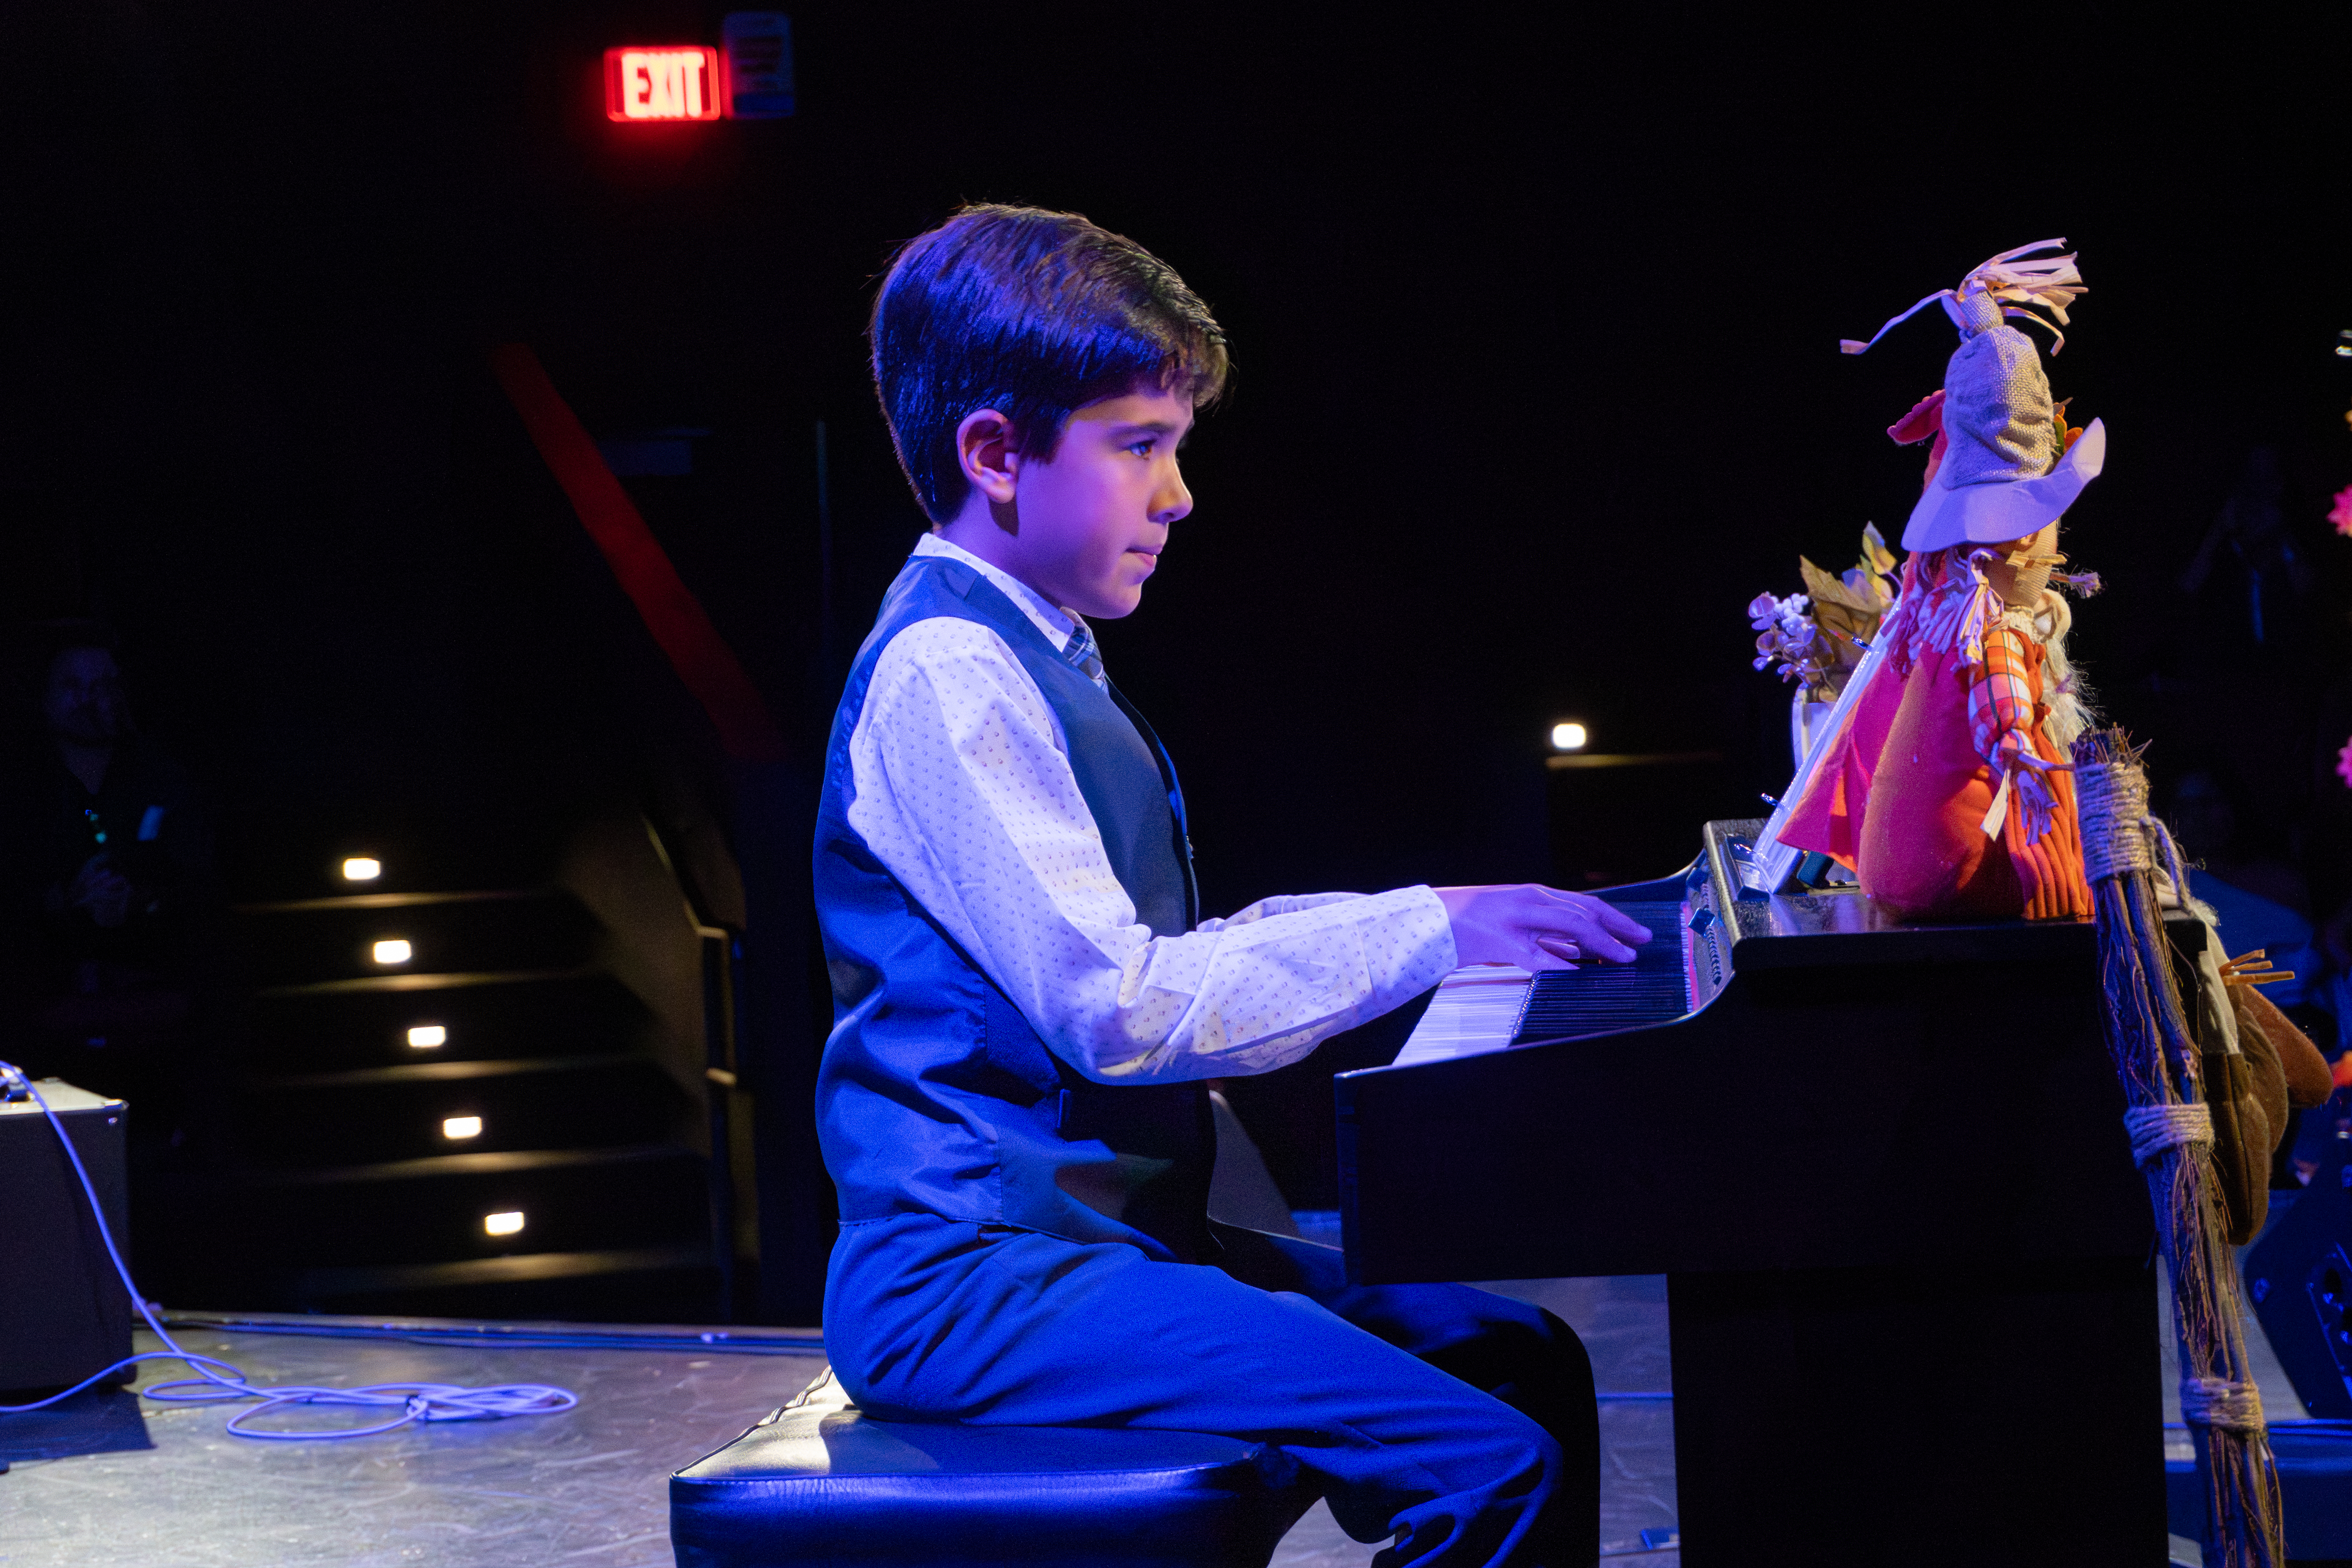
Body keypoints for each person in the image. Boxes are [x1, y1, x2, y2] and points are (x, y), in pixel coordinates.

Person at [812, 205, 1653, 1567]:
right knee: (1488, 1466)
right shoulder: (948, 674)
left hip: (1088, 1248)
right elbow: (1119, 1011)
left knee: (1514, 1357)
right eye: (1139, 446)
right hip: (974, 1274)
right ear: (994, 454)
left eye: (1177, 447)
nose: (1178, 494)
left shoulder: (1040, 653)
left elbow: (1151, 951)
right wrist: (1426, 931)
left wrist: (1445, 911)